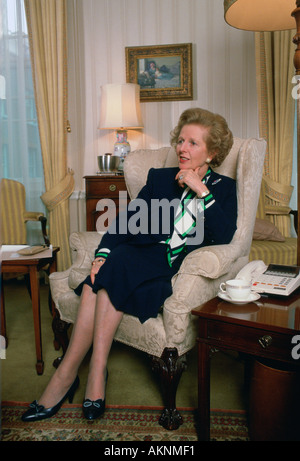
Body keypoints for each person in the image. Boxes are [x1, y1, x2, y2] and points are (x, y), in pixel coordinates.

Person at [21, 107, 237, 422]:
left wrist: (201, 189)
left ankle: (68, 375)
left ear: (212, 152)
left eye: (192, 143)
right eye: (180, 140)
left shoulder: (223, 189)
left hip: (167, 270)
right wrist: (101, 254)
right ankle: (92, 373)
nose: (181, 147)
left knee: (105, 277)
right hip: (139, 257)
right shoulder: (161, 179)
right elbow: (126, 223)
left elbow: (224, 234)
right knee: (112, 262)